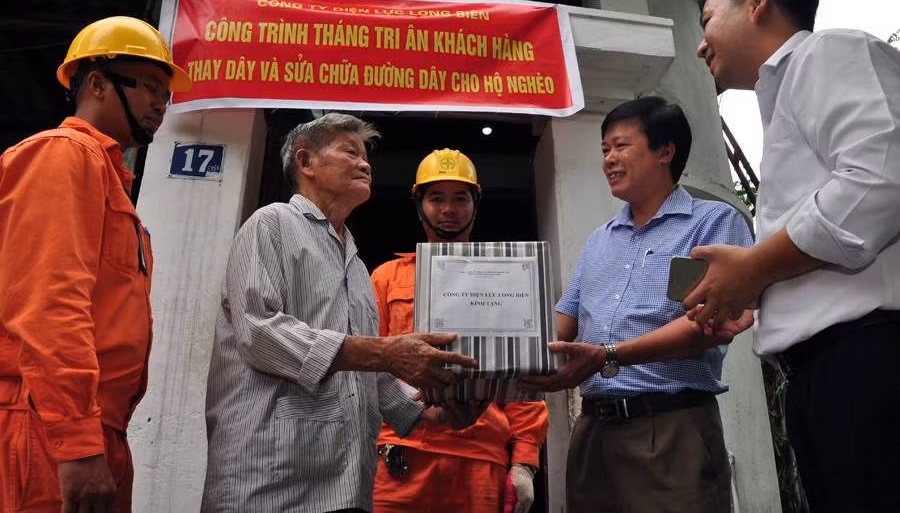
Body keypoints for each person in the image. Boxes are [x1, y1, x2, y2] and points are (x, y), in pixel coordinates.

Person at [688, 0, 900, 511]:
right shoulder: (783, 101)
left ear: (757, 3)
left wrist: (755, 268)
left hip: (868, 362)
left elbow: (882, 180)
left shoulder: (828, 52)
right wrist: (762, 293)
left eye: (707, 19)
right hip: (830, 374)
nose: (701, 44)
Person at [202, 115, 484, 513]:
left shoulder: (355, 263)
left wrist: (431, 411)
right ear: (306, 162)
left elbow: (368, 371)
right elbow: (260, 332)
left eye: (366, 156)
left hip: (345, 483)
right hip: (269, 478)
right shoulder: (272, 223)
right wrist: (384, 352)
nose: (365, 164)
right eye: (350, 152)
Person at [522, 97, 754, 513]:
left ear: (665, 151)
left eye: (621, 146)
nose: (609, 159)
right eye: (604, 149)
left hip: (670, 426)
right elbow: (562, 321)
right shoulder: (598, 240)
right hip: (592, 431)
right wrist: (495, 354)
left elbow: (705, 324)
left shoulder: (713, 223)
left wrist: (608, 356)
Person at [0, 16, 191, 512]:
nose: (161, 104)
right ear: (98, 84)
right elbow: (49, 306)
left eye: (166, 93)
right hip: (47, 426)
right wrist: (77, 441)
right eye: (150, 86)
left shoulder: (112, 184)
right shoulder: (62, 155)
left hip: (93, 430)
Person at [370, 149, 549, 513]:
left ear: (475, 205)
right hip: (401, 453)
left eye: (460, 198)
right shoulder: (387, 278)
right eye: (436, 198)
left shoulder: (508, 277)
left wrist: (524, 461)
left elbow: (523, 372)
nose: (448, 209)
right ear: (419, 206)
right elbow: (368, 366)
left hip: (479, 457)